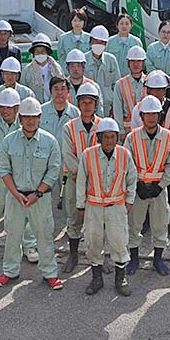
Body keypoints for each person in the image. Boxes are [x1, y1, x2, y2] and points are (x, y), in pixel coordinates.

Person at [0, 97, 64, 290]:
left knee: (44, 236)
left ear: (40, 117)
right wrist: (16, 194)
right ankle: (10, 271)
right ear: (20, 118)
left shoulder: (49, 142)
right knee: (12, 236)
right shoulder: (9, 141)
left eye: (34, 117)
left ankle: (50, 273)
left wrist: (37, 194)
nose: (30, 121)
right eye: (26, 117)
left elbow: (53, 170)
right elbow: (4, 170)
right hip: (15, 197)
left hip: (39, 198)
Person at [0, 88, 39, 264]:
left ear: (17, 108)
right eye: (2, 107)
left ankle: (29, 246)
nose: (5, 111)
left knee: (25, 214)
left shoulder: (26, 125)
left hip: (20, 180)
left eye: (9, 107)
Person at [78, 117, 138, 296]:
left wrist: (129, 201)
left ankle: (121, 279)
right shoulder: (88, 155)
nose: (109, 141)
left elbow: (132, 179)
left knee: (119, 242)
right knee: (93, 242)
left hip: (116, 207)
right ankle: (97, 279)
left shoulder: (124, 155)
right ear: (99, 138)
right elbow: (81, 182)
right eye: (106, 137)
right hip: (94, 207)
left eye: (113, 137)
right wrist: (80, 206)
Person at [125, 96, 170, 277]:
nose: (151, 118)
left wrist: (160, 185)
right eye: (147, 114)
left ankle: (158, 259)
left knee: (160, 225)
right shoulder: (132, 138)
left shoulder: (168, 137)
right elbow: (126, 164)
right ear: (141, 116)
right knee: (134, 224)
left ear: (160, 116)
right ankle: (134, 258)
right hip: (138, 190)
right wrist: (136, 185)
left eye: (154, 114)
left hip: (158, 190)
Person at [129, 71, 170, 233]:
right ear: (147, 90)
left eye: (161, 89)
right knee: (142, 195)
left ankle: (168, 223)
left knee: (168, 192)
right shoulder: (138, 109)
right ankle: (145, 223)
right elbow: (135, 134)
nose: (157, 93)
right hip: (144, 160)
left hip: (165, 160)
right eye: (154, 89)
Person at [60, 82, 102, 273]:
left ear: (96, 104)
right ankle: (73, 254)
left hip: (98, 182)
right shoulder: (69, 127)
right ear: (78, 104)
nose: (87, 106)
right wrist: (82, 174)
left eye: (90, 102)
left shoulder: (103, 126)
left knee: (98, 220)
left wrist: (92, 176)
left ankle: (99, 256)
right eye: (83, 102)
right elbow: (68, 154)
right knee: (74, 217)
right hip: (74, 179)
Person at [39, 76, 80, 212]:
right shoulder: (41, 111)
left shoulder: (75, 113)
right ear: (50, 91)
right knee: (45, 200)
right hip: (46, 163)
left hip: (67, 164)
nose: (59, 92)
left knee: (69, 200)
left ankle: (69, 223)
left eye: (63, 89)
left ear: (68, 91)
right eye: (56, 89)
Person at [113, 45, 147, 138]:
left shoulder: (149, 82)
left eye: (139, 61)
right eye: (132, 61)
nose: (135, 64)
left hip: (146, 130)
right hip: (127, 131)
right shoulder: (120, 84)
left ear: (143, 63)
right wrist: (121, 131)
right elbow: (117, 110)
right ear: (128, 63)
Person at [85, 25, 120, 114]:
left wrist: (115, 105)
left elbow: (117, 85)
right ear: (90, 42)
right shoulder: (83, 60)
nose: (98, 44)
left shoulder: (111, 60)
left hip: (107, 106)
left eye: (102, 42)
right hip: (87, 106)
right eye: (96, 41)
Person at [145, 20, 170, 102]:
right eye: (163, 32)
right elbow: (149, 65)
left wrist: (169, 80)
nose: (166, 35)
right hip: (155, 86)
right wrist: (159, 79)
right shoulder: (152, 48)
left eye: (168, 32)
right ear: (159, 32)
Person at [20, 33, 63, 102]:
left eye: (42, 51)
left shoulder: (57, 69)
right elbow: (23, 91)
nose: (40, 54)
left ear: (47, 52)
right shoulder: (27, 70)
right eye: (37, 52)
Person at [64, 49, 104, 114]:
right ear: (67, 68)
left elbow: (99, 111)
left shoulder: (93, 86)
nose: (75, 69)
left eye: (78, 66)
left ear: (84, 67)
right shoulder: (62, 86)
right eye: (72, 66)